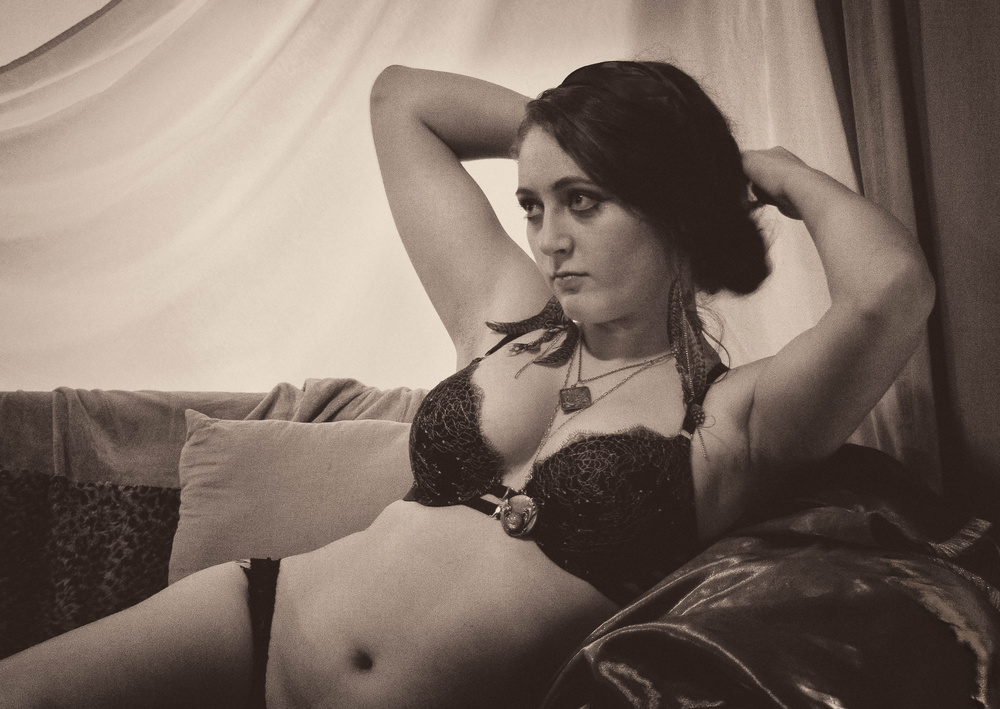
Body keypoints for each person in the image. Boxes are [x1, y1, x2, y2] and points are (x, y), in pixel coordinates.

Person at [0, 60, 934, 709]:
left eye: (583, 200)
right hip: (256, 616)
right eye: (533, 204)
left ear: (670, 203)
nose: (548, 239)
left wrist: (773, 172)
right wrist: (578, 139)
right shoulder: (508, 315)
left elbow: (890, 290)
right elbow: (400, 99)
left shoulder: (734, 418)